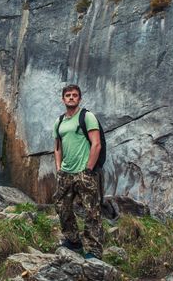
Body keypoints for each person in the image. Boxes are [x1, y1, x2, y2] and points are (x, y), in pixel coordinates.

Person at [53, 84, 103, 259]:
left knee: (91, 211)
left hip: (84, 171)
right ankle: (73, 240)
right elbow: (57, 147)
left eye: (75, 95)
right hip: (66, 173)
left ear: (79, 98)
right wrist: (59, 168)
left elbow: (96, 144)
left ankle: (93, 250)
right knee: (61, 206)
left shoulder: (87, 117)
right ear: (63, 99)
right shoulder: (59, 121)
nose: (71, 97)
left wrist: (88, 169)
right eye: (68, 95)